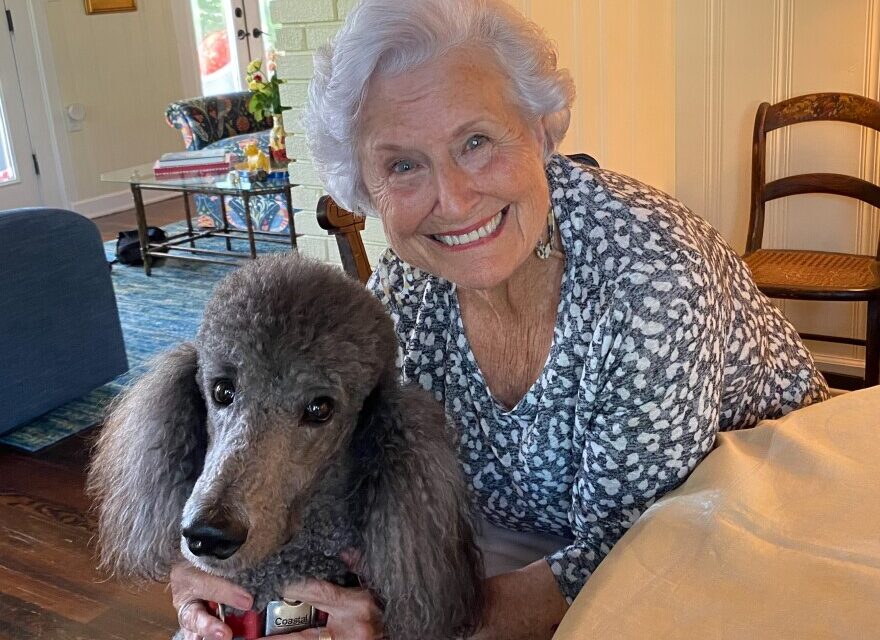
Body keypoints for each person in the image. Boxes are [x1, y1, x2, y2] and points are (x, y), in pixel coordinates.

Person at [170, 0, 830, 638]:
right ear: (365, 187)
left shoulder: (650, 276)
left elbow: (631, 554)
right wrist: (232, 579)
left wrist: (400, 622)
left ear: (541, 131)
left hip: (755, 528)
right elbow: (333, 473)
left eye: (477, 141)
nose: (454, 200)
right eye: (403, 165)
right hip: (537, 542)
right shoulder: (404, 291)